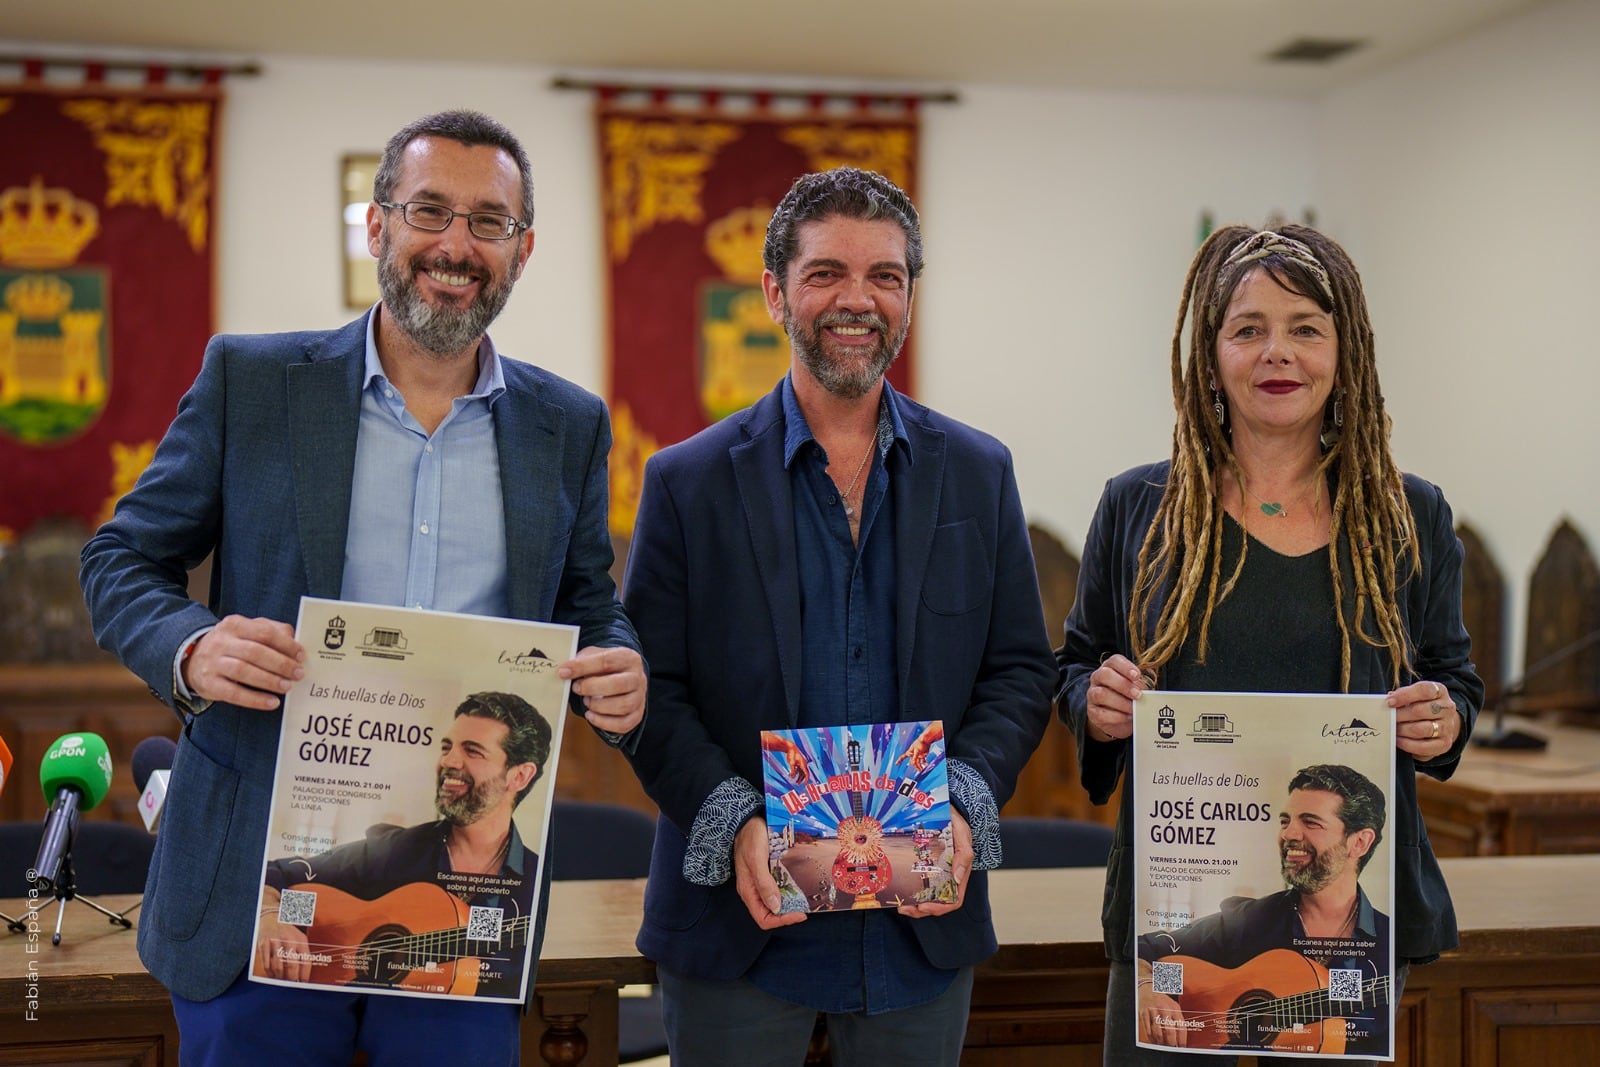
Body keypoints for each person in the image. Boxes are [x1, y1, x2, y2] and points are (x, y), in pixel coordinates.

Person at [79, 109, 645, 1066]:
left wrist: (619, 663)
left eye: (489, 222)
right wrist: (192, 645)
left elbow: (586, 602)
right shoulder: (252, 382)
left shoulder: (570, 423)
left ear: (524, 248)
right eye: (429, 211)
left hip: (459, 915)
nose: (456, 246)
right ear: (379, 225)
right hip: (259, 886)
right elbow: (120, 559)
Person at [620, 166, 1055, 1066]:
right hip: (736, 928)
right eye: (826, 274)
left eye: (885, 277)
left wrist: (963, 804)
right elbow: (647, 691)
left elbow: (1020, 670)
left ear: (908, 297)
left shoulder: (979, 473)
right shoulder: (686, 482)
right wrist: (732, 817)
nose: (857, 300)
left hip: (919, 925)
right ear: (776, 292)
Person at [1056, 223, 1484, 1067]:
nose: (1276, 353)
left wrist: (1445, 719)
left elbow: (1454, 679)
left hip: (1341, 931)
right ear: (1209, 353)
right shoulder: (1137, 507)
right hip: (1175, 907)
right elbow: (1075, 665)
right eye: (1247, 328)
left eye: (1305, 328)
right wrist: (1094, 702)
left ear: (1345, 350)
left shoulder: (1411, 516)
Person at [256, 692, 552, 999]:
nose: (448, 762)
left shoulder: (531, 881)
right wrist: (272, 918)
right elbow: (282, 877)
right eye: (447, 747)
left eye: (473, 751)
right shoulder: (395, 851)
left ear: (519, 775)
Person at [1137, 764, 1391, 1054]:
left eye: (1311, 822)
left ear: (1359, 842)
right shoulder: (1252, 921)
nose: (1289, 834)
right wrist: (1151, 989)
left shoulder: (1386, 943)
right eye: (1285, 821)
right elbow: (1155, 952)